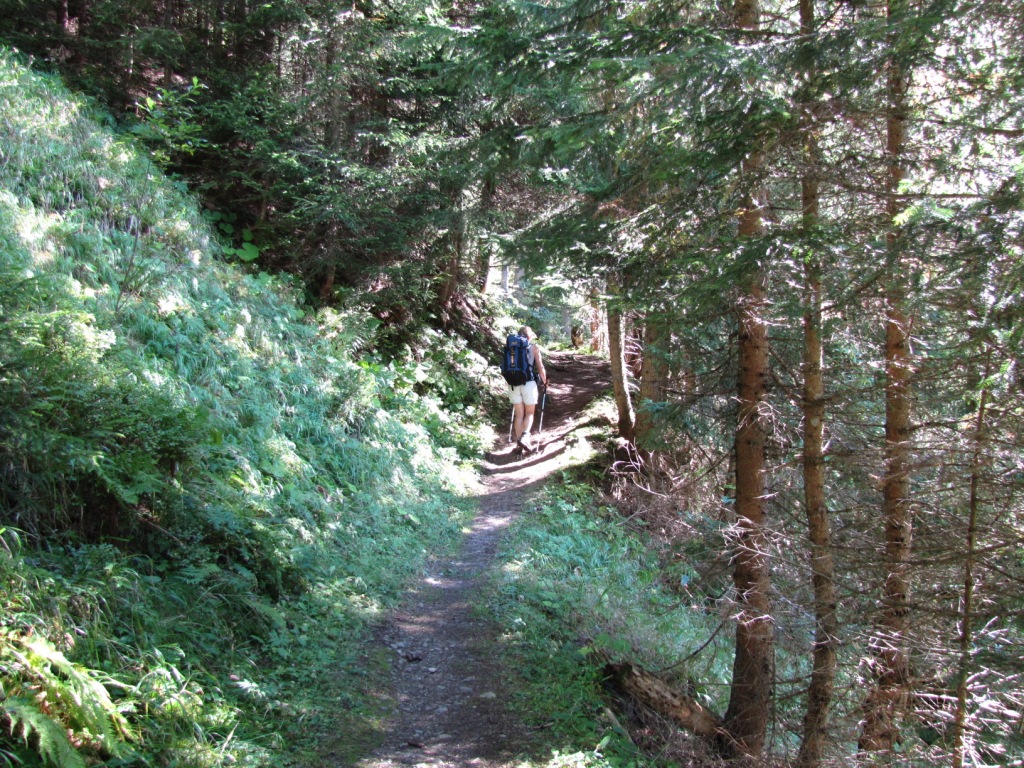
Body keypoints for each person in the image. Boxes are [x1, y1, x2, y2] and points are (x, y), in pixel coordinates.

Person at [508, 326, 547, 454]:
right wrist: (545, 380)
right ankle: (525, 437)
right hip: (528, 383)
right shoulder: (534, 348)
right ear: (528, 336)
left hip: (513, 383)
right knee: (529, 413)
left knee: (519, 414)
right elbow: (540, 367)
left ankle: (519, 445)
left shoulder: (511, 347)